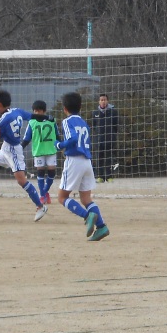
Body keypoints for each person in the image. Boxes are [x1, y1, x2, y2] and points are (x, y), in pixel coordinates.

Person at [56, 91, 110, 241]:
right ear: (80, 107)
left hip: (74, 161)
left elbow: (73, 138)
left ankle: (87, 216)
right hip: (87, 162)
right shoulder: (84, 123)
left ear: (64, 108)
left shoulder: (67, 121)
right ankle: (102, 227)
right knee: (86, 199)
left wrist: (60, 145)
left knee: (62, 197)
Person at [0, 90, 47, 221]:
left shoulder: (3, 120)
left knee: (21, 181)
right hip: (5, 148)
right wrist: (46, 117)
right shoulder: (17, 111)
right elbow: (32, 116)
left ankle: (40, 206)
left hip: (14, 151)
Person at [26, 100, 58, 205]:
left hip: (51, 149)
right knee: (40, 171)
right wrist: (21, 147)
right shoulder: (32, 122)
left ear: (44, 111)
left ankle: (44, 192)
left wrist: (61, 145)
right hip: (38, 151)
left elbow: (57, 134)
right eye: (35, 111)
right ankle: (43, 196)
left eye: (39, 111)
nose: (37, 113)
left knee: (52, 171)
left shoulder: (52, 121)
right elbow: (27, 137)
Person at [91, 93, 119, 181]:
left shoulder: (113, 112)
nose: (103, 101)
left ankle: (109, 176)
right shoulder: (95, 113)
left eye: (105, 100)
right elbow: (93, 126)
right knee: (99, 158)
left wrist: (112, 135)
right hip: (99, 139)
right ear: (99, 101)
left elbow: (116, 126)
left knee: (109, 158)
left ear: (108, 101)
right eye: (101, 100)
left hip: (110, 139)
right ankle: (100, 176)